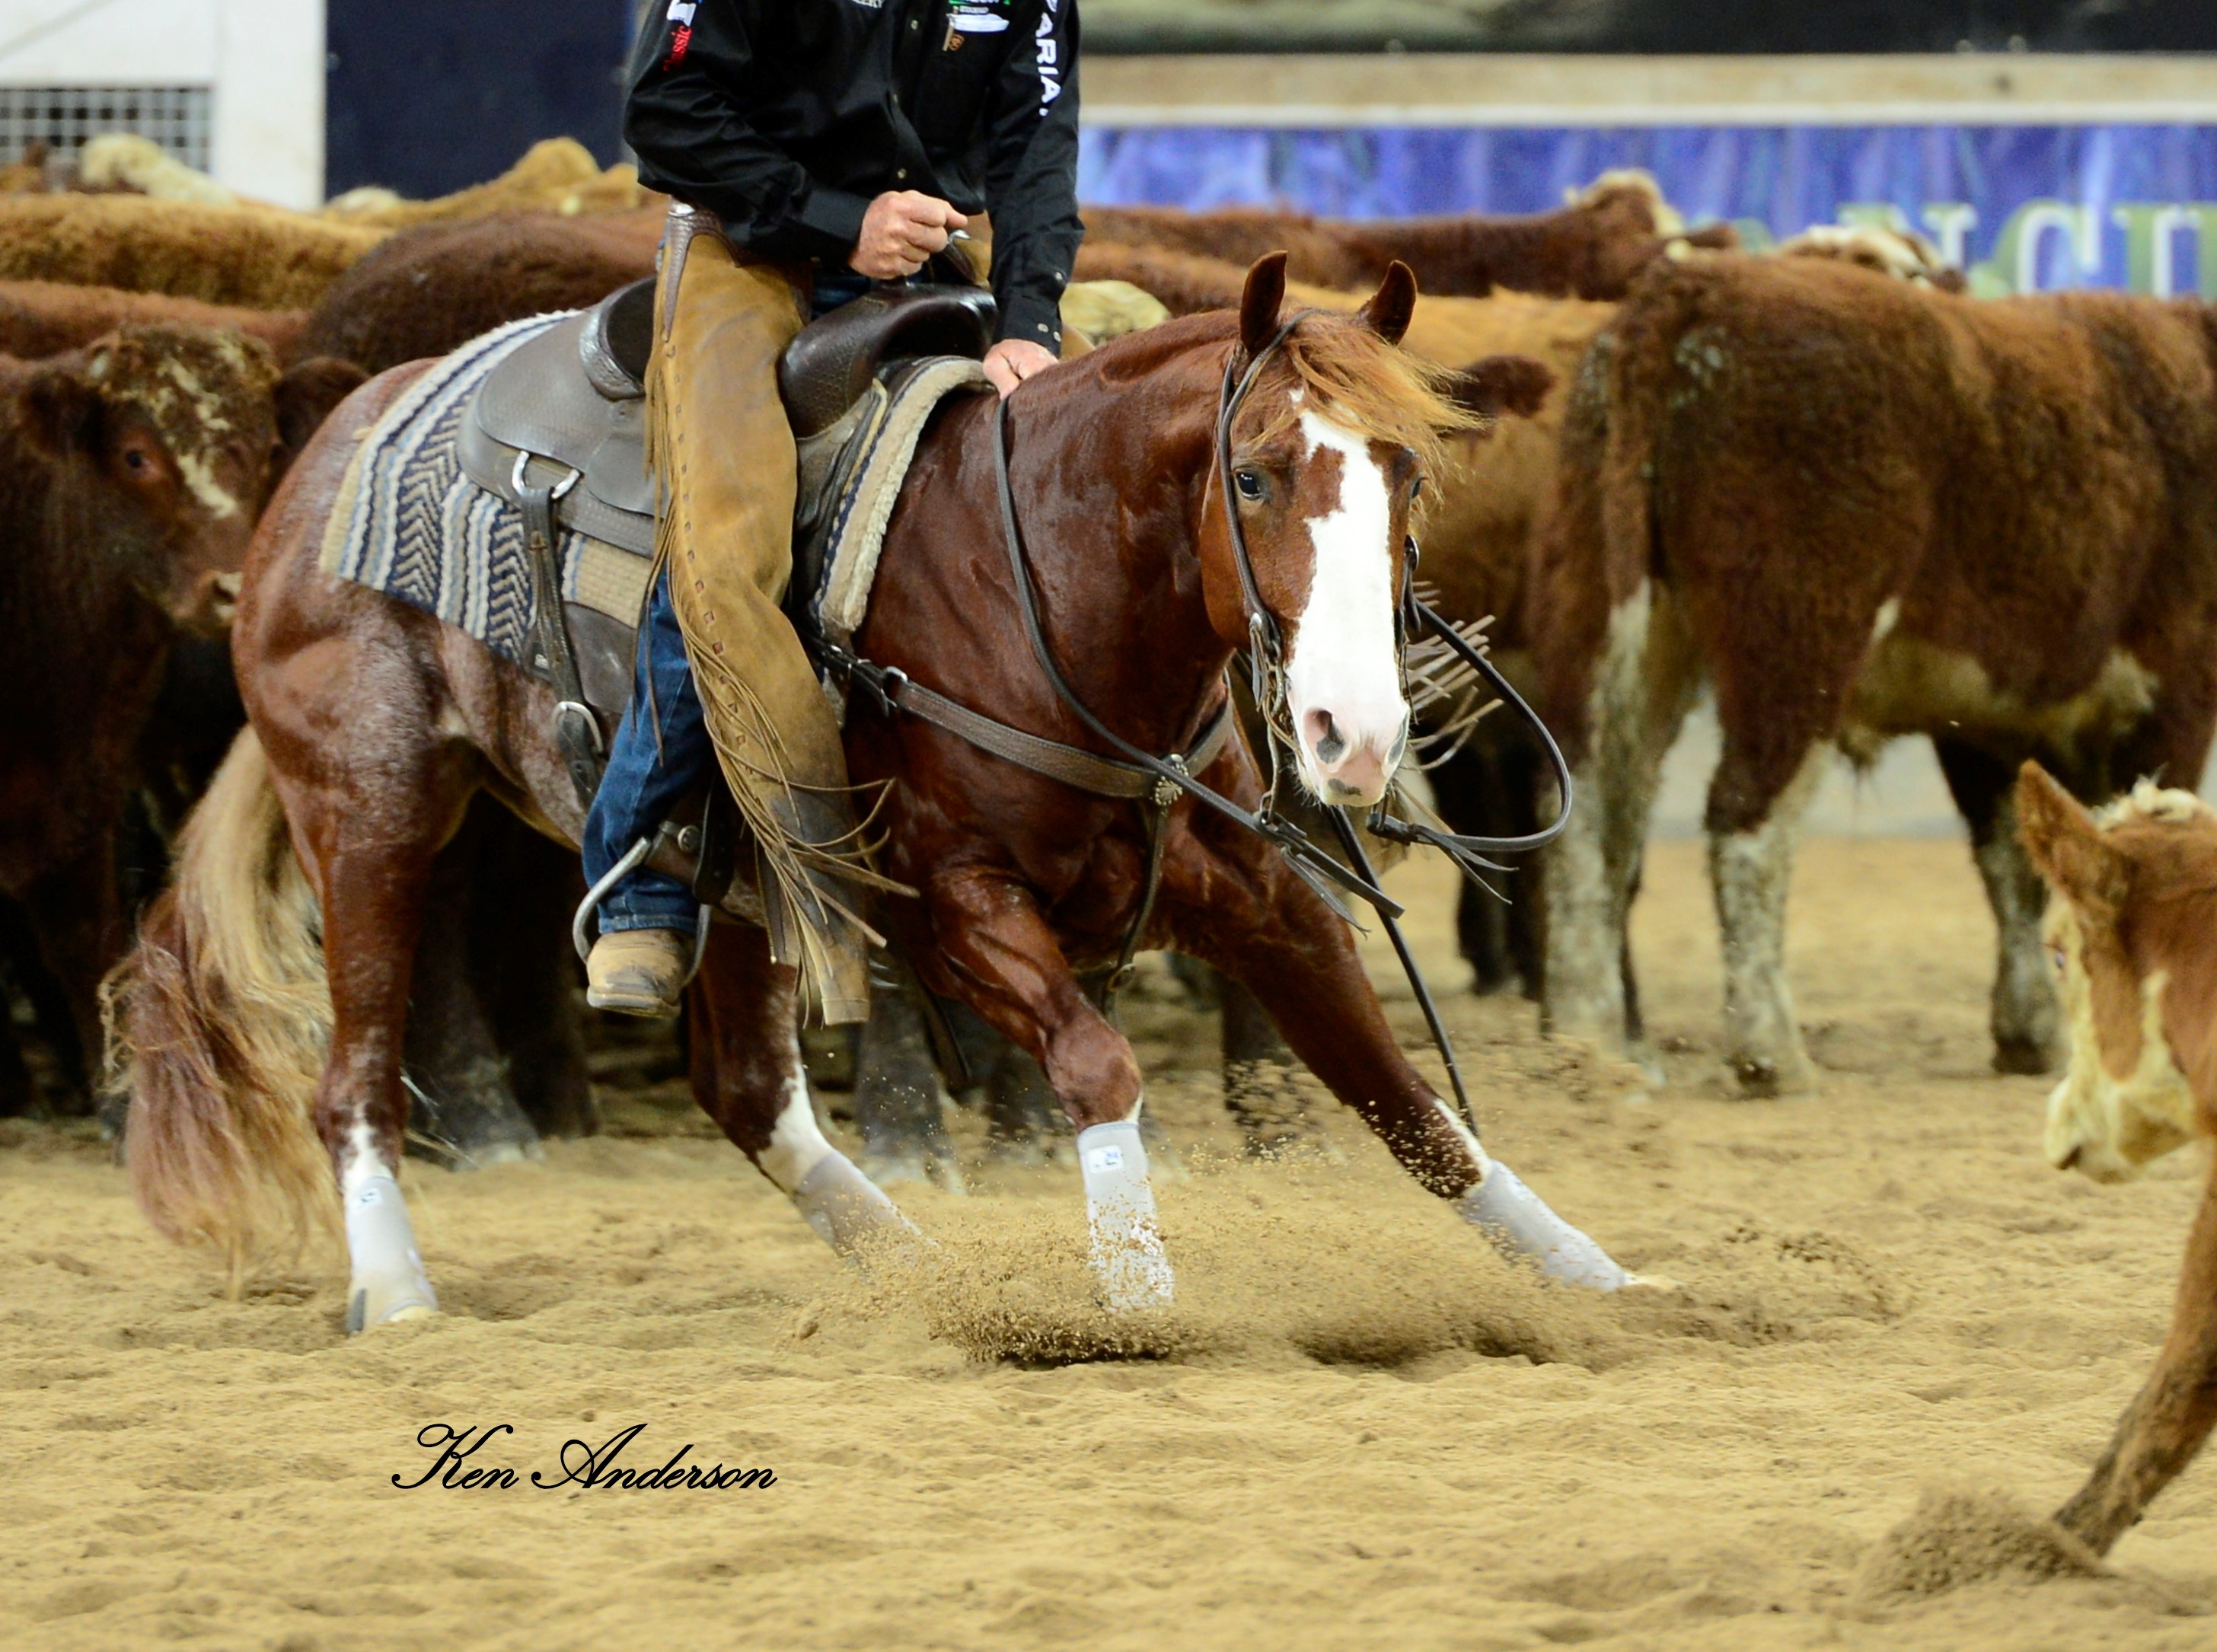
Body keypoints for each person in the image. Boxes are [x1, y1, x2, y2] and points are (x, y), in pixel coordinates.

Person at [582, 0, 1083, 1020]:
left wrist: (1032, 319)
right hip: (746, 253)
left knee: (1088, 488)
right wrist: (838, 217)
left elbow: (1036, 140)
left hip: (924, 262)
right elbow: (664, 108)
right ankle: (636, 877)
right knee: (730, 541)